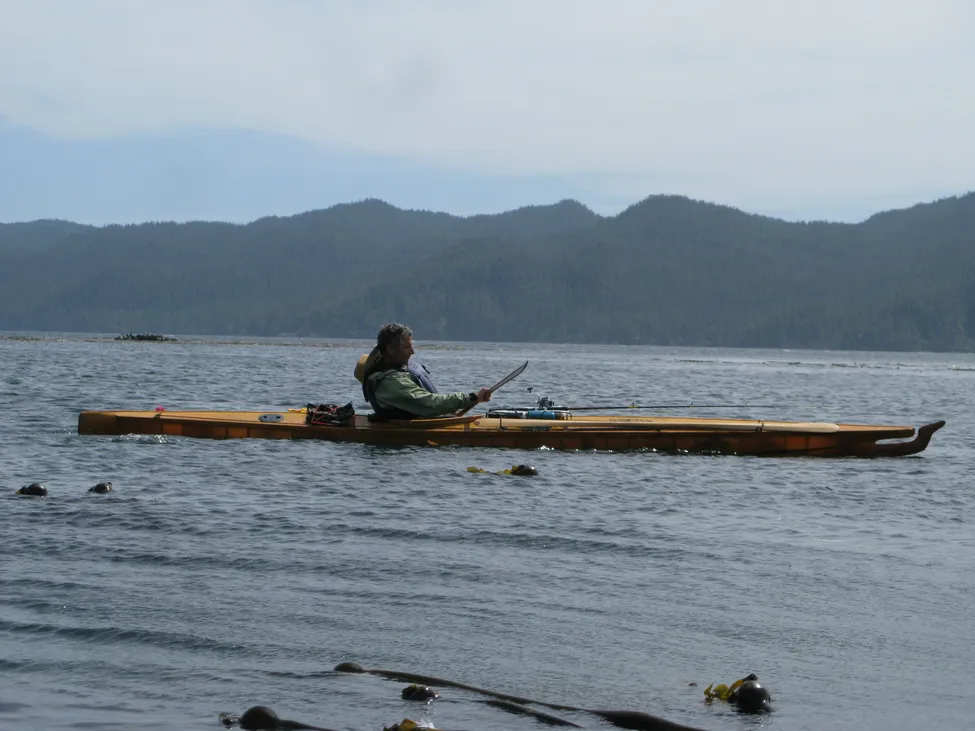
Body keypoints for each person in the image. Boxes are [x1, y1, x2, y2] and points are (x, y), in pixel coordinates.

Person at [354, 323, 492, 419]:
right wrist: (472, 397)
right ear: (390, 349)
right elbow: (430, 404)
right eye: (407, 348)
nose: (412, 352)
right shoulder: (390, 382)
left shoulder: (397, 372)